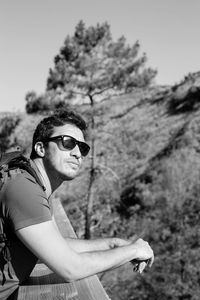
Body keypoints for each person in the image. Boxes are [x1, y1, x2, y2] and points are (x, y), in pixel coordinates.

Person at [0, 109, 154, 299]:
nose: (77, 154)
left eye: (82, 148)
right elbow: (70, 268)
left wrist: (111, 244)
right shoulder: (24, 189)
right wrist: (134, 250)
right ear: (40, 148)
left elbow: (55, 244)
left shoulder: (35, 185)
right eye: (68, 143)